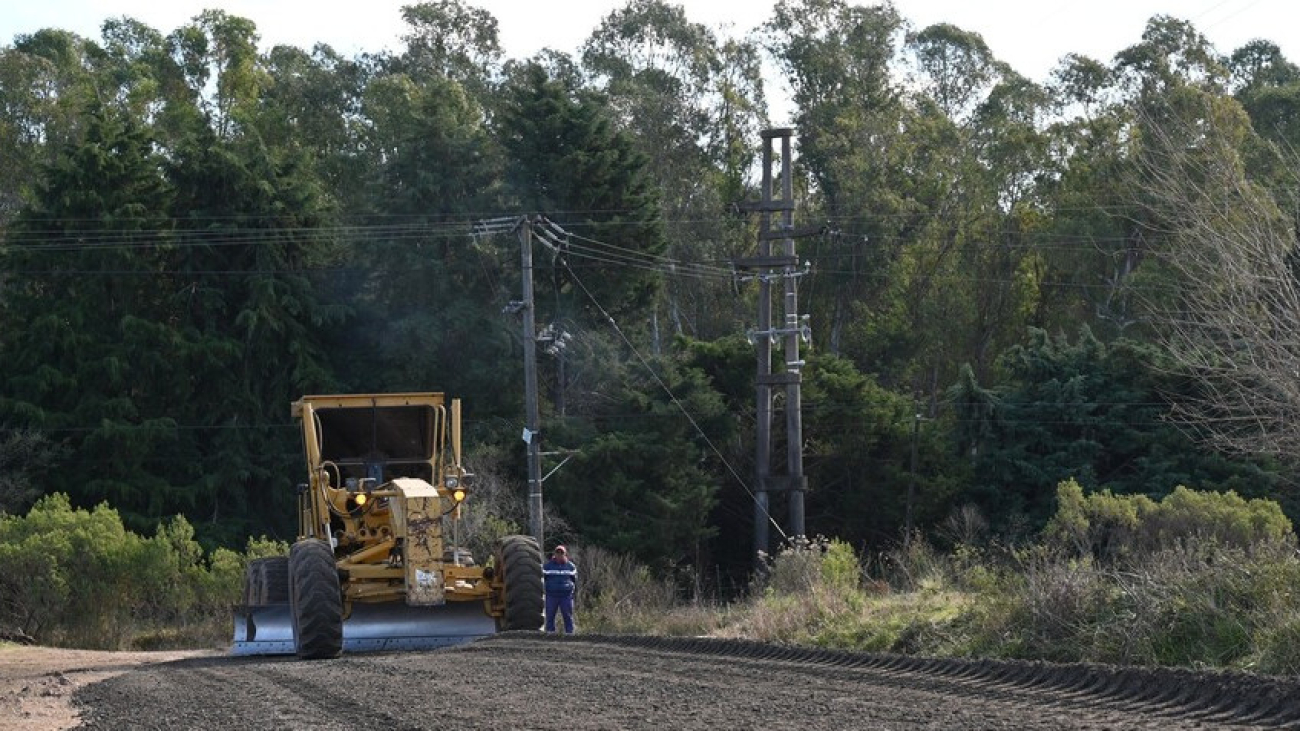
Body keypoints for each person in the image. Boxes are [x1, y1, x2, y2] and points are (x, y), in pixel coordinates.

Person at [542, 544, 577, 634]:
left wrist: (572, 591)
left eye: (561, 553)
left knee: (568, 616)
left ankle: (570, 634)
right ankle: (550, 633)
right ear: (555, 554)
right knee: (550, 616)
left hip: (566, 596)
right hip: (551, 595)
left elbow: (574, 580)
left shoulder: (571, 566)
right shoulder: (547, 566)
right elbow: (543, 579)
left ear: (565, 554)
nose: (559, 554)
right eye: (557, 552)